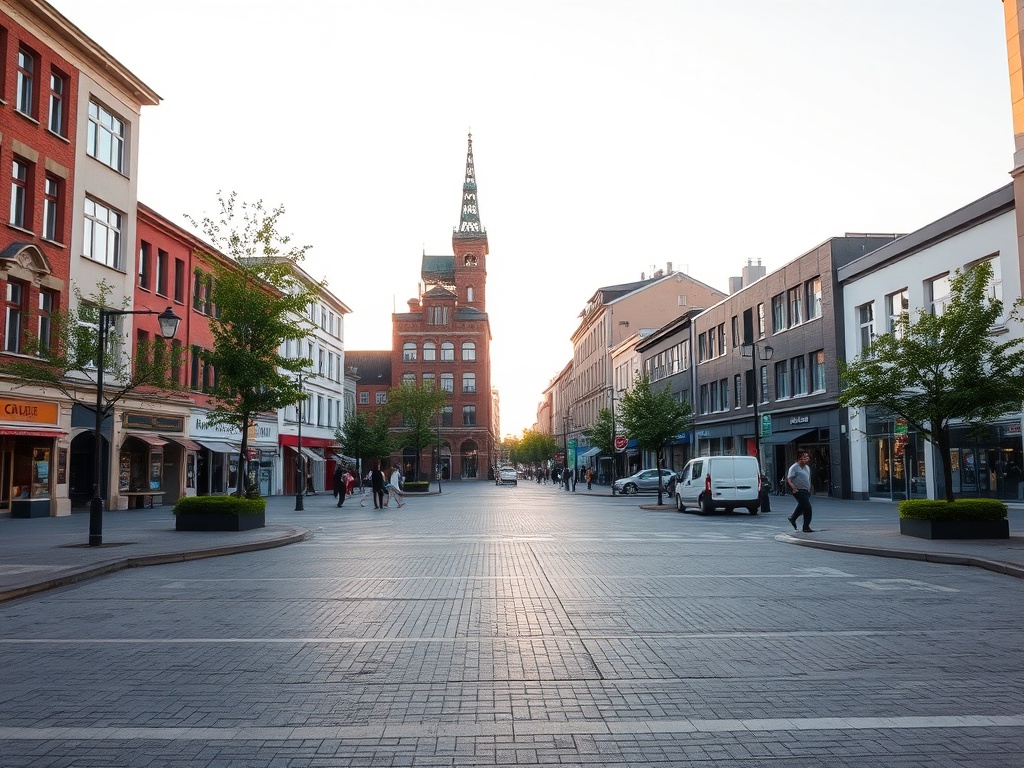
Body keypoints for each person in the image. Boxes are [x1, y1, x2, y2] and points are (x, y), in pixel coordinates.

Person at [786, 451, 814, 532]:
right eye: (804, 457)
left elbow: (808, 478)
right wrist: (794, 489)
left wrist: (810, 487)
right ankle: (806, 527)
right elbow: (789, 479)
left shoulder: (807, 467)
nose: (807, 459)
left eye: (807, 457)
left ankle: (792, 518)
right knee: (808, 508)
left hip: (806, 490)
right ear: (799, 459)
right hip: (798, 490)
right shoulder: (794, 467)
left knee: (802, 506)